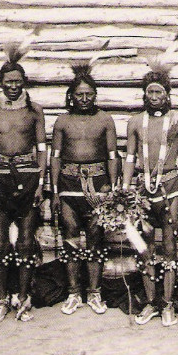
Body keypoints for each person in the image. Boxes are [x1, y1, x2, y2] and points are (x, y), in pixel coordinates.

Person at [0, 46, 47, 324]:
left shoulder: (35, 110)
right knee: (0, 242)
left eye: (18, 81)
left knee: (27, 242)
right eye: (8, 82)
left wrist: (41, 183)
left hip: (28, 176)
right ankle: (1, 298)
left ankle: (23, 297)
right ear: (1, 83)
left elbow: (42, 148)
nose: (13, 87)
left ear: (24, 82)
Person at [122, 53, 178, 327]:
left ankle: (168, 304)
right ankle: (151, 302)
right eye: (149, 91)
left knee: (170, 245)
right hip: (143, 193)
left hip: (171, 187)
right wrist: (125, 190)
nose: (153, 96)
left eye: (158, 91)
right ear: (144, 95)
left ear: (167, 94)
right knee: (145, 247)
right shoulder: (135, 122)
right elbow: (129, 158)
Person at [50, 60, 118, 315]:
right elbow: (55, 157)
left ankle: (95, 292)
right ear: (71, 96)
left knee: (95, 238)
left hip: (98, 186)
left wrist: (111, 189)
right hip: (68, 185)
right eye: (80, 94)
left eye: (89, 94)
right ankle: (73, 292)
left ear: (95, 95)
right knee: (70, 236)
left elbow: (112, 155)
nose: (85, 99)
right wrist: (54, 191)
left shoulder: (105, 120)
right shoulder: (62, 121)